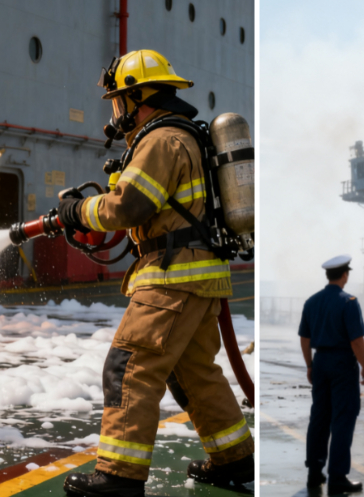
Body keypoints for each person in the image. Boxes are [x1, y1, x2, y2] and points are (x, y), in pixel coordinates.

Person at [60, 49, 254, 497]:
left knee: (127, 368)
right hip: (199, 277)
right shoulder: (182, 137)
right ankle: (234, 460)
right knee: (192, 373)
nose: (116, 112)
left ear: (137, 97)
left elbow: (128, 206)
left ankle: (118, 478)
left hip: (171, 277)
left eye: (118, 101)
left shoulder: (160, 139)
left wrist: (77, 210)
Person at [299, 254, 364, 495]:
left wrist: (309, 365)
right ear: (345, 275)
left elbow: (305, 339)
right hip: (342, 364)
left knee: (319, 418)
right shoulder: (348, 302)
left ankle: (314, 473)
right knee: (343, 418)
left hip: (320, 363)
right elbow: (357, 341)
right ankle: (338, 477)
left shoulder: (311, 302)